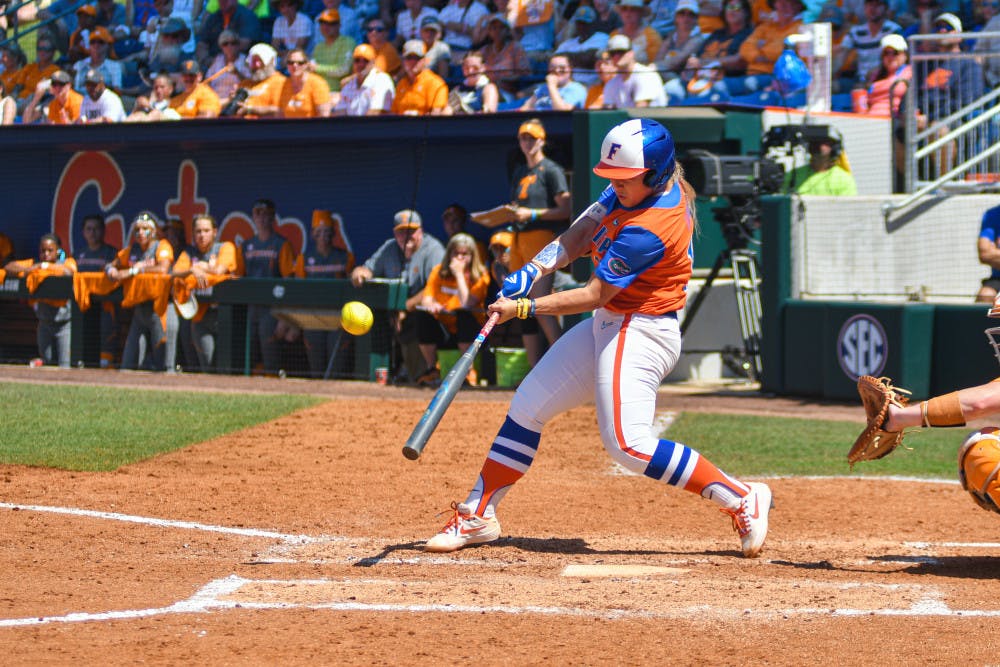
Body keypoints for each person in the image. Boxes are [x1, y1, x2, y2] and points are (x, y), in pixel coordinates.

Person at [423, 118, 773, 558]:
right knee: (528, 405)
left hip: (641, 329)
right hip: (613, 322)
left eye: (624, 178)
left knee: (627, 445)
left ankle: (741, 496)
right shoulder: (629, 188)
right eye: (613, 177)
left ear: (655, 175)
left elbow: (594, 294)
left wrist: (525, 306)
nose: (615, 184)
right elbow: (581, 233)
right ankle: (479, 513)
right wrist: (533, 269)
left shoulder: (652, 225)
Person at [473, 118, 570, 366]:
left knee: (539, 301)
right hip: (518, 239)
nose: (527, 143)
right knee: (518, 303)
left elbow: (566, 209)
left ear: (542, 141)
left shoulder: (551, 170)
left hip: (541, 238)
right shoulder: (520, 171)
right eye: (523, 138)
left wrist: (533, 214)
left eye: (532, 138)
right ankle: (535, 367)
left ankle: (566, 364)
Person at [350, 209, 445, 384]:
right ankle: (392, 374)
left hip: (427, 314)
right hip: (393, 314)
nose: (406, 236)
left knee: (417, 322)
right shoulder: (390, 247)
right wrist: (360, 273)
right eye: (401, 231)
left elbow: (435, 288)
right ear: (395, 233)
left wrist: (404, 308)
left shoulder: (433, 249)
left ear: (420, 231)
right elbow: (367, 269)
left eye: (411, 231)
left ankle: (422, 375)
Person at [416, 232, 491, 386]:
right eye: (456, 253)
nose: (459, 258)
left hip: (473, 333)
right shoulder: (438, 271)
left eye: (464, 254)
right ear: (449, 254)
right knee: (423, 315)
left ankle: (468, 371)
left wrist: (459, 274)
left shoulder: (481, 275)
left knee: (463, 314)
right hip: (446, 329)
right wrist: (432, 305)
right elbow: (426, 298)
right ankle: (432, 369)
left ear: (472, 256)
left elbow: (467, 303)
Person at [106, 213, 175, 371]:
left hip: (160, 308)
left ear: (153, 231)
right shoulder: (133, 250)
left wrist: (135, 270)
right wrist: (111, 270)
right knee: (128, 363)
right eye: (137, 230)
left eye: (145, 229)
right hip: (140, 310)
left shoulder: (162, 245)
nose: (140, 233)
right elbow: (112, 264)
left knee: (163, 364)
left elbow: (163, 268)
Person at [171, 214, 239, 371]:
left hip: (225, 316)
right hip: (200, 316)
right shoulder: (189, 252)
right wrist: (192, 269)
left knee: (226, 366)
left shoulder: (225, 247)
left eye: (206, 231)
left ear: (214, 232)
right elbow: (174, 273)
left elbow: (220, 270)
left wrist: (202, 266)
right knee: (207, 365)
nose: (202, 235)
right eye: (198, 231)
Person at [293, 209, 356, 378]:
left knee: (336, 368)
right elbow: (297, 291)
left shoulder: (345, 257)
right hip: (313, 318)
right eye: (319, 231)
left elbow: (353, 289)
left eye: (327, 231)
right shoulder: (304, 258)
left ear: (333, 233)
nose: (323, 235)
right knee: (317, 368)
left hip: (338, 317)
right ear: (312, 233)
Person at [240, 198, 297, 375]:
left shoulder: (281, 244)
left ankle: (272, 385)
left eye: (266, 214)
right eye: (258, 213)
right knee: (249, 355)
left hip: (272, 309)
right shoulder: (246, 245)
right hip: (251, 307)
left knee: (270, 354)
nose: (262, 218)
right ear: (253, 217)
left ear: (273, 217)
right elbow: (237, 277)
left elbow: (290, 282)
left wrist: (285, 317)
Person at [4, 234, 78, 369]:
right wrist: (29, 269)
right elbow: (8, 267)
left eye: (50, 250)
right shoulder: (35, 265)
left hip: (64, 325)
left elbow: (69, 272)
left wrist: (44, 266)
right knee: (47, 362)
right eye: (43, 251)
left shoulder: (66, 262)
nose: (46, 254)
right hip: (44, 323)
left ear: (58, 251)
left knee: (65, 365)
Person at [666, 0, 751, 103]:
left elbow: (740, 60)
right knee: (670, 87)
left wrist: (707, 63)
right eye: (728, 7)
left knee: (700, 91)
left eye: (736, 7)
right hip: (697, 76)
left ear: (746, 12)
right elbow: (697, 57)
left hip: (721, 79)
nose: (731, 11)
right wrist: (690, 66)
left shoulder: (749, 34)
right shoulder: (717, 33)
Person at [73, 214, 120, 368]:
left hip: (106, 306)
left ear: (103, 231)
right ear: (83, 232)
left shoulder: (111, 254)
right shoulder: (78, 255)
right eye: (89, 229)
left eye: (96, 229)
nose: (92, 233)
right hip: (84, 306)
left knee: (106, 342)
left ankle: (107, 369)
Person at [728, 0, 804, 95]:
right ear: (774, 5)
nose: (785, 6)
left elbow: (782, 52)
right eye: (781, 2)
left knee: (750, 84)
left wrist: (762, 49)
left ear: (798, 6)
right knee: (720, 86)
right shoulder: (765, 27)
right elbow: (745, 48)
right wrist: (757, 56)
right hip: (751, 73)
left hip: (777, 77)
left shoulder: (801, 28)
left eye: (791, 3)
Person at [837, 0, 903, 87]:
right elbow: (841, 55)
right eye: (870, 4)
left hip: (884, 79)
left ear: (886, 8)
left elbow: (898, 59)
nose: (873, 8)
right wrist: (832, 75)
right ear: (864, 8)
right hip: (859, 80)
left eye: (877, 5)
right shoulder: (855, 32)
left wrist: (875, 74)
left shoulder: (893, 30)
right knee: (837, 85)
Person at [782, 128, 859, 194]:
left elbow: (848, 206)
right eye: (814, 142)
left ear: (834, 148)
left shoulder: (843, 179)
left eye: (823, 142)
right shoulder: (793, 175)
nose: (817, 145)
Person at [601, 34, 667, 108]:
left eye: (620, 52)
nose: (616, 56)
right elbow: (608, 110)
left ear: (631, 53)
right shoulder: (612, 83)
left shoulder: (645, 75)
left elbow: (641, 109)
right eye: (612, 53)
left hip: (652, 115)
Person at [553, 5, 610, 86]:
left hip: (592, 84)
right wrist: (582, 56)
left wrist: (567, 58)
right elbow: (555, 61)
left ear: (593, 23)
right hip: (570, 85)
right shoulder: (568, 43)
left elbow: (590, 60)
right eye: (579, 23)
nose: (582, 27)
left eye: (585, 23)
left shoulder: (603, 38)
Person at [331, 43, 395, 115]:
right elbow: (340, 112)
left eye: (366, 60)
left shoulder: (382, 80)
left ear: (373, 63)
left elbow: (376, 113)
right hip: (355, 122)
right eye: (357, 60)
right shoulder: (349, 85)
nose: (361, 64)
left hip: (376, 122)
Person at [479, 14, 531, 101]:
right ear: (489, 31)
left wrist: (504, 80)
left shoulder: (515, 48)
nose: (497, 31)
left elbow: (525, 73)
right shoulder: (484, 50)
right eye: (494, 28)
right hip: (484, 91)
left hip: (508, 93)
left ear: (507, 30)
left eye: (501, 28)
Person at [391, 39, 449, 116]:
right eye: (409, 58)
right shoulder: (401, 84)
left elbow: (436, 115)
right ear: (403, 61)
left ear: (425, 60)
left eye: (417, 58)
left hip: (425, 123)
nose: (412, 62)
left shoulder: (436, 83)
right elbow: (394, 113)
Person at [859, 32, 911, 115]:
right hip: (871, 117)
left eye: (895, 53)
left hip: (895, 118)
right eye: (886, 53)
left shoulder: (910, 71)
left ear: (905, 55)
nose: (890, 57)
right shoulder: (875, 74)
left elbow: (898, 86)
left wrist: (874, 86)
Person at [654, 0, 705, 84]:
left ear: (696, 19)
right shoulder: (672, 35)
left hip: (684, 80)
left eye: (691, 15)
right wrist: (655, 67)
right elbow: (659, 57)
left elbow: (677, 60)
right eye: (682, 13)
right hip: (666, 74)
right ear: (676, 17)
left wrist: (655, 67)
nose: (686, 18)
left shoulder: (697, 39)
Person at [196, 0, 261, 64]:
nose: (223, 1)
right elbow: (202, 44)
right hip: (213, 64)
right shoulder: (213, 18)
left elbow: (246, 43)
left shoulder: (247, 16)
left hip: (241, 63)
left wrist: (223, 59)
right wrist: (208, 61)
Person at [519, 53, 588, 110]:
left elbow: (563, 112)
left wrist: (552, 86)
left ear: (570, 69)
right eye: (553, 67)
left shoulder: (577, 89)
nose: (557, 71)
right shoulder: (543, 88)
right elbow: (526, 108)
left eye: (562, 68)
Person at [311, 8, 355, 92]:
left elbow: (344, 69)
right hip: (319, 92)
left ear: (339, 25)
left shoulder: (348, 42)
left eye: (331, 23)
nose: (325, 27)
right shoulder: (318, 47)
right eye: (322, 23)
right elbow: (312, 70)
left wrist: (317, 68)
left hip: (340, 92)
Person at [203, 29, 253, 104]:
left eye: (233, 43)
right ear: (221, 47)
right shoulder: (217, 60)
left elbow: (250, 84)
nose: (229, 47)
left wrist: (237, 73)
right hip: (215, 99)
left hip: (235, 101)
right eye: (225, 44)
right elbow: (207, 81)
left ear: (238, 45)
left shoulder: (245, 61)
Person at [278, 47, 332, 116]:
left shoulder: (318, 83)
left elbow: (324, 115)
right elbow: (280, 114)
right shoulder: (283, 84)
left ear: (306, 64)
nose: (295, 65)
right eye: (291, 62)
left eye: (300, 63)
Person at [237, 42, 286, 117]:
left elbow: (280, 111)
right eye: (253, 61)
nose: (257, 65)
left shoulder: (281, 83)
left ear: (271, 61)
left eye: (260, 61)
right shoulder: (244, 84)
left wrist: (250, 110)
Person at [72, 26, 125, 92]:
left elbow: (117, 90)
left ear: (107, 46)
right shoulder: (79, 65)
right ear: (89, 46)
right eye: (93, 42)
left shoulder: (114, 66)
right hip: (80, 97)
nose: (96, 45)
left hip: (103, 97)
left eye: (101, 42)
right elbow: (75, 89)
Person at [447, 49, 499, 113]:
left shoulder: (488, 88)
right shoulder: (457, 89)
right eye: (467, 68)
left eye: (475, 68)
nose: (470, 71)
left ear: (483, 68)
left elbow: (489, 112)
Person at [610, 0, 662, 64]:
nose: (627, 14)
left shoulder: (652, 36)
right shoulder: (614, 35)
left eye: (633, 10)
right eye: (624, 9)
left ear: (640, 13)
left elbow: (656, 64)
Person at [271, 0, 313, 66]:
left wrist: (286, 57)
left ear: (296, 5)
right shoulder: (278, 21)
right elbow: (274, 47)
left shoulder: (304, 20)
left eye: (290, 5)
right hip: (286, 55)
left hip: (306, 58)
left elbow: (300, 48)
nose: (286, 9)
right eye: (282, 6)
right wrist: (284, 54)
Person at [976, 204, 1000, 303]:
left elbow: (991, 254)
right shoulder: (992, 215)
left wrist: (995, 252)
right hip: (998, 278)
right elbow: (985, 254)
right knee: (986, 294)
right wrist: (991, 254)